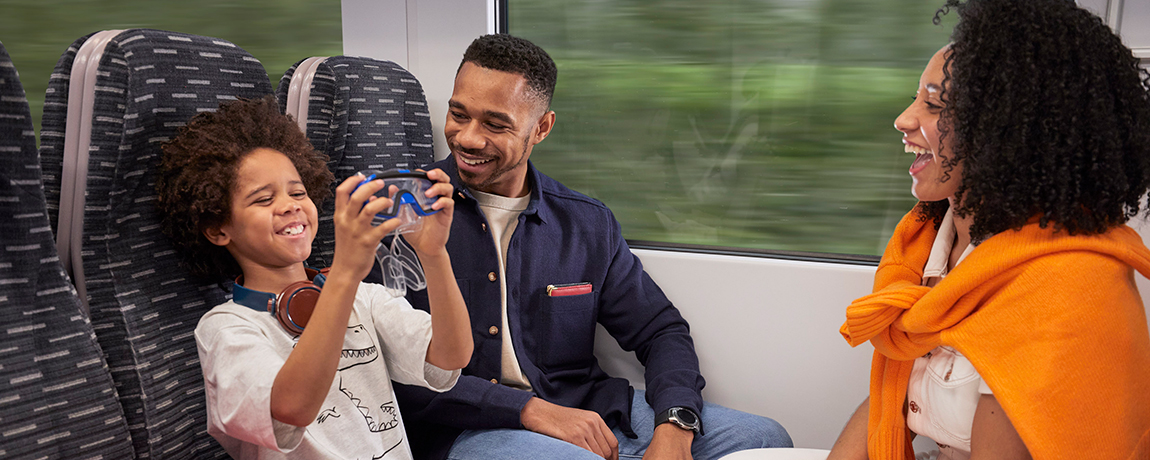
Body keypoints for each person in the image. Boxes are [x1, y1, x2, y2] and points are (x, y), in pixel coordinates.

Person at [388, 34, 792, 460]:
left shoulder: (586, 222)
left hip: (590, 408)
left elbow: (661, 331)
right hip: (468, 427)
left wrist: (675, 424)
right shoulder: (401, 209)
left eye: (495, 124)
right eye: (458, 114)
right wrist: (527, 409)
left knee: (764, 439)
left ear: (541, 128)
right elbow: (391, 364)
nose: (468, 138)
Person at [828, 1, 1150, 459]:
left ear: (1009, 133)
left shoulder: (1062, 287)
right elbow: (889, 395)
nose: (903, 119)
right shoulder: (926, 240)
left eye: (934, 104)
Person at [156, 96, 474, 460]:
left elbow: (452, 356)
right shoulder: (227, 329)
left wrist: (434, 255)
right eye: (263, 199)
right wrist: (345, 272)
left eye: (298, 192)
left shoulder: (362, 298)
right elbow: (292, 409)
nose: (291, 205)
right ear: (217, 228)